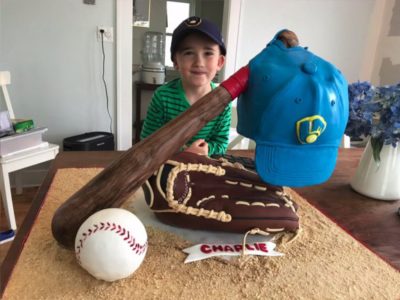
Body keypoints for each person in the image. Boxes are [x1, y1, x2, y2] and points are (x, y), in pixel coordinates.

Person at [140, 16, 231, 156]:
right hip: (167, 165)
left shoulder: (223, 102)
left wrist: (207, 149)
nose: (198, 62)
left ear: (220, 62)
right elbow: (147, 142)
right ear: (176, 61)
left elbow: (221, 143)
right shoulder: (162, 97)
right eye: (189, 53)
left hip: (204, 169)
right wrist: (184, 153)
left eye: (208, 53)